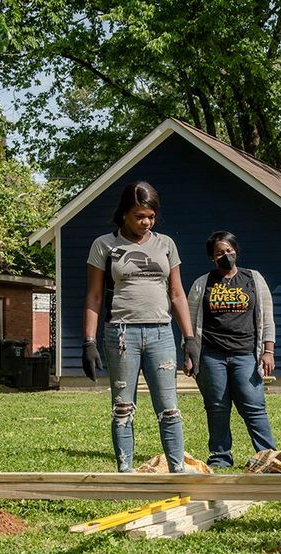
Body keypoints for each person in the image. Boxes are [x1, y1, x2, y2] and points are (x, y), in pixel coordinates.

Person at [83, 181, 200, 473]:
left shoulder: (166, 245)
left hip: (161, 333)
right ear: (124, 213)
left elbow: (176, 293)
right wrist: (88, 341)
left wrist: (190, 338)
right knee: (123, 408)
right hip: (121, 335)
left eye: (150, 216)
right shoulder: (104, 245)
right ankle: (126, 474)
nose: (146, 222)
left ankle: (178, 473)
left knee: (169, 409)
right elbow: (95, 295)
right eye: (139, 216)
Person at [186, 231, 278, 468]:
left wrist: (268, 350)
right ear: (211, 258)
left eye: (229, 250)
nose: (225, 256)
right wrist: (189, 354)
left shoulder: (253, 279)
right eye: (219, 253)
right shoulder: (202, 283)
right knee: (216, 407)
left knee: (254, 405)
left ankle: (268, 455)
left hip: (245, 354)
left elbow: (267, 317)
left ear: (236, 251)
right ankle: (220, 457)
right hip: (211, 355)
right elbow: (189, 321)